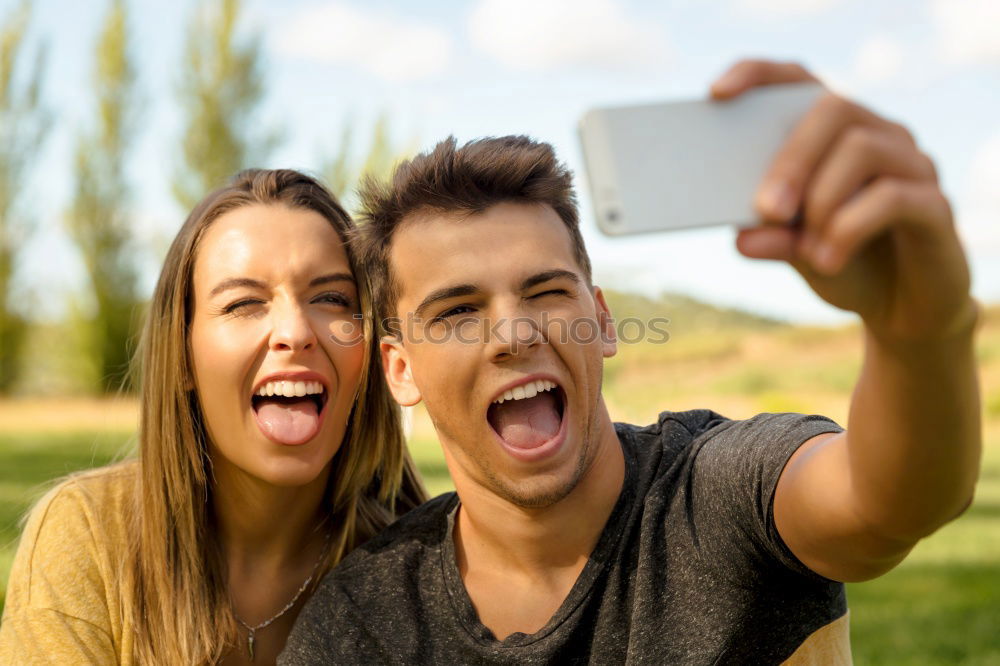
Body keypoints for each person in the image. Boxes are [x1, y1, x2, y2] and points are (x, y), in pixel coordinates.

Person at [280, 60, 981, 664]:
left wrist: (918, 329)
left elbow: (890, 500)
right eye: (458, 311)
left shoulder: (717, 496)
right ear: (400, 369)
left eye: (546, 290)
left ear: (603, 320)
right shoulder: (364, 623)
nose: (513, 333)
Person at [0, 169, 426, 664]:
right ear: (181, 356)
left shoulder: (423, 570)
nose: (295, 331)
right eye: (244, 302)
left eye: (331, 299)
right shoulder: (87, 537)